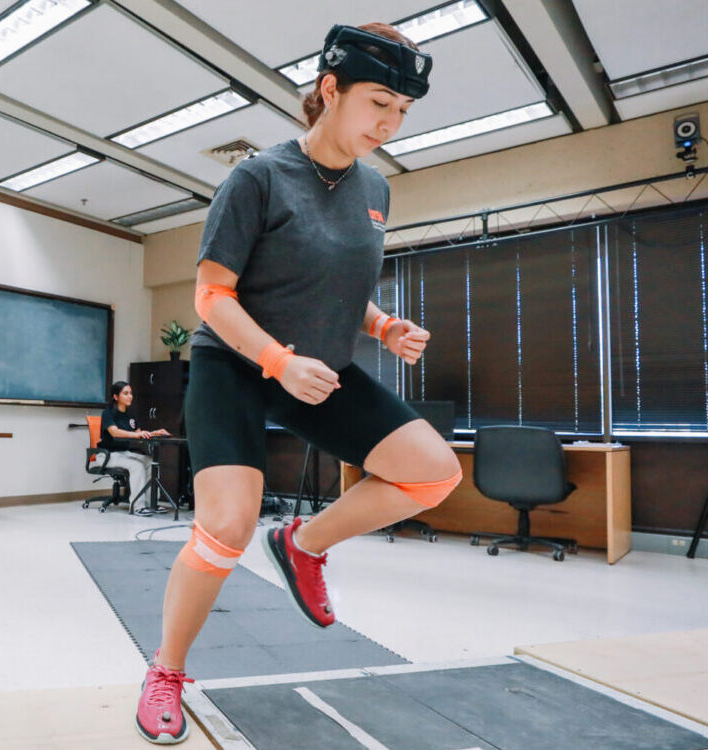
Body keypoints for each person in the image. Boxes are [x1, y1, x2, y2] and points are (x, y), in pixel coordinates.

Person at [134, 23, 462, 745]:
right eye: (379, 102)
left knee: (433, 474)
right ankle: (167, 669)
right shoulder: (257, 178)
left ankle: (305, 543)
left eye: (402, 112)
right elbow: (212, 296)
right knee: (223, 527)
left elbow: (335, 286)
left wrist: (381, 328)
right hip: (238, 365)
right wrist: (276, 361)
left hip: (319, 369)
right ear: (329, 90)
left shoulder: (376, 188)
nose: (390, 123)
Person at [100, 381, 169, 505]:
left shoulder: (130, 414)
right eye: (125, 393)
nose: (130, 396)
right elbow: (114, 432)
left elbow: (138, 433)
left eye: (131, 393)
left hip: (124, 453)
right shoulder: (107, 413)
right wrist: (137, 434)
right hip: (107, 455)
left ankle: (151, 503)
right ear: (116, 397)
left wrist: (155, 433)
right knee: (136, 466)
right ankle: (137, 506)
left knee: (150, 462)